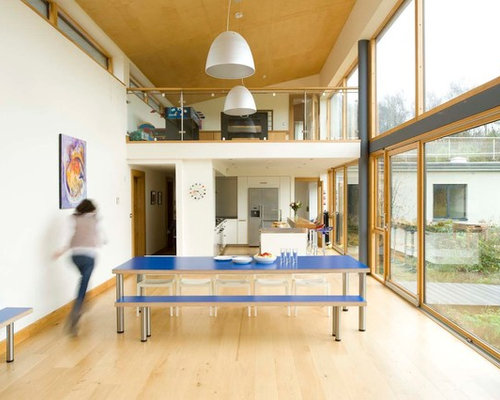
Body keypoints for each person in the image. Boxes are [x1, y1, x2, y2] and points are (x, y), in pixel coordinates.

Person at [54, 199, 104, 335]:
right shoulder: (94, 219)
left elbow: (68, 237)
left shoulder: (73, 218)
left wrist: (61, 251)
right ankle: (78, 308)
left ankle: (83, 302)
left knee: (83, 279)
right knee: (84, 282)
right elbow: (100, 237)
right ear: (91, 209)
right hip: (89, 256)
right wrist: (99, 242)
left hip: (75, 257)